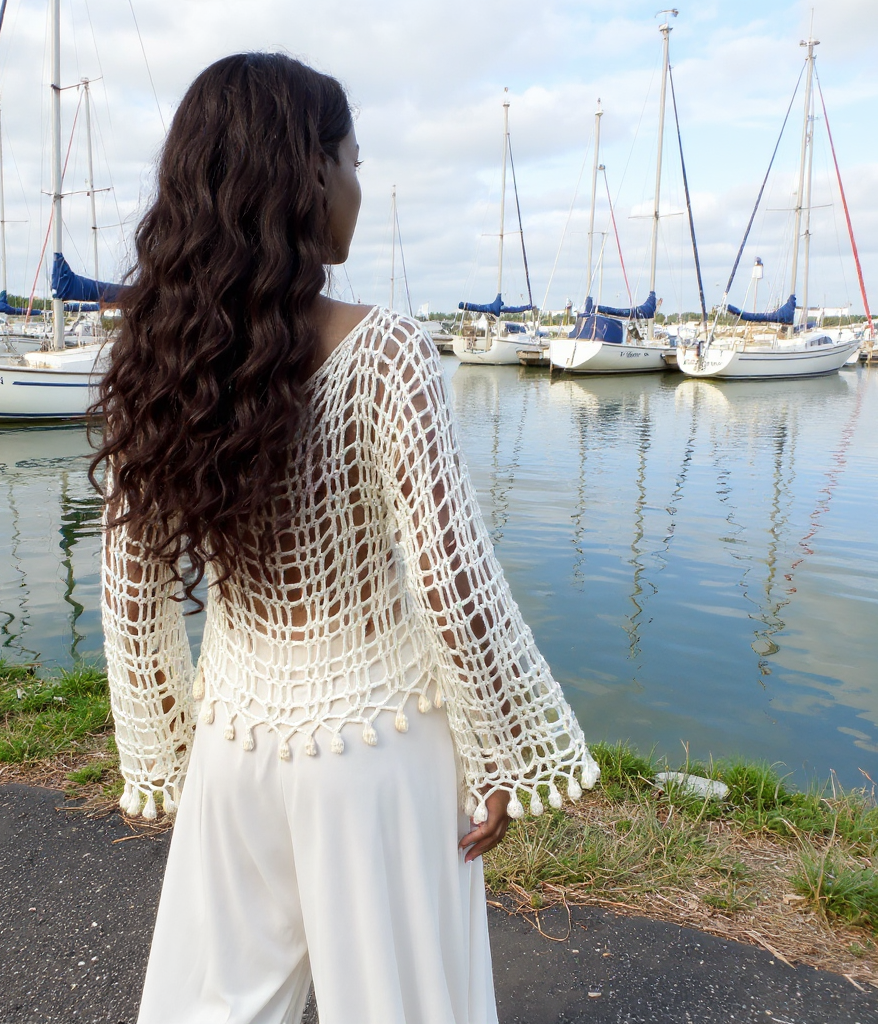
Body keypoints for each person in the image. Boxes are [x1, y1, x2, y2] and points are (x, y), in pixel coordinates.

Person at [92, 52, 598, 1024]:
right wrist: (500, 749)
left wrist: (162, 753)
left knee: (219, 1007)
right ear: (310, 173)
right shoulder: (386, 350)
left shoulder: (161, 358)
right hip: (380, 742)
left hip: (233, 742)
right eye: (354, 161)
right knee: (409, 1006)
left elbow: (128, 582)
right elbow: (449, 579)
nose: (359, 187)